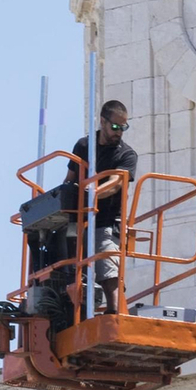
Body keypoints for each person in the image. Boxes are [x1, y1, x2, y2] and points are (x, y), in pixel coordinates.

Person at [67, 100, 138, 313]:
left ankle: (115, 312)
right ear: (102, 122)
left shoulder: (126, 154)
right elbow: (69, 180)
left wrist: (92, 193)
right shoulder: (83, 146)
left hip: (108, 221)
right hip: (82, 220)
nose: (119, 132)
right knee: (66, 263)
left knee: (107, 267)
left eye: (123, 127)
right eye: (115, 127)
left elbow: (116, 183)